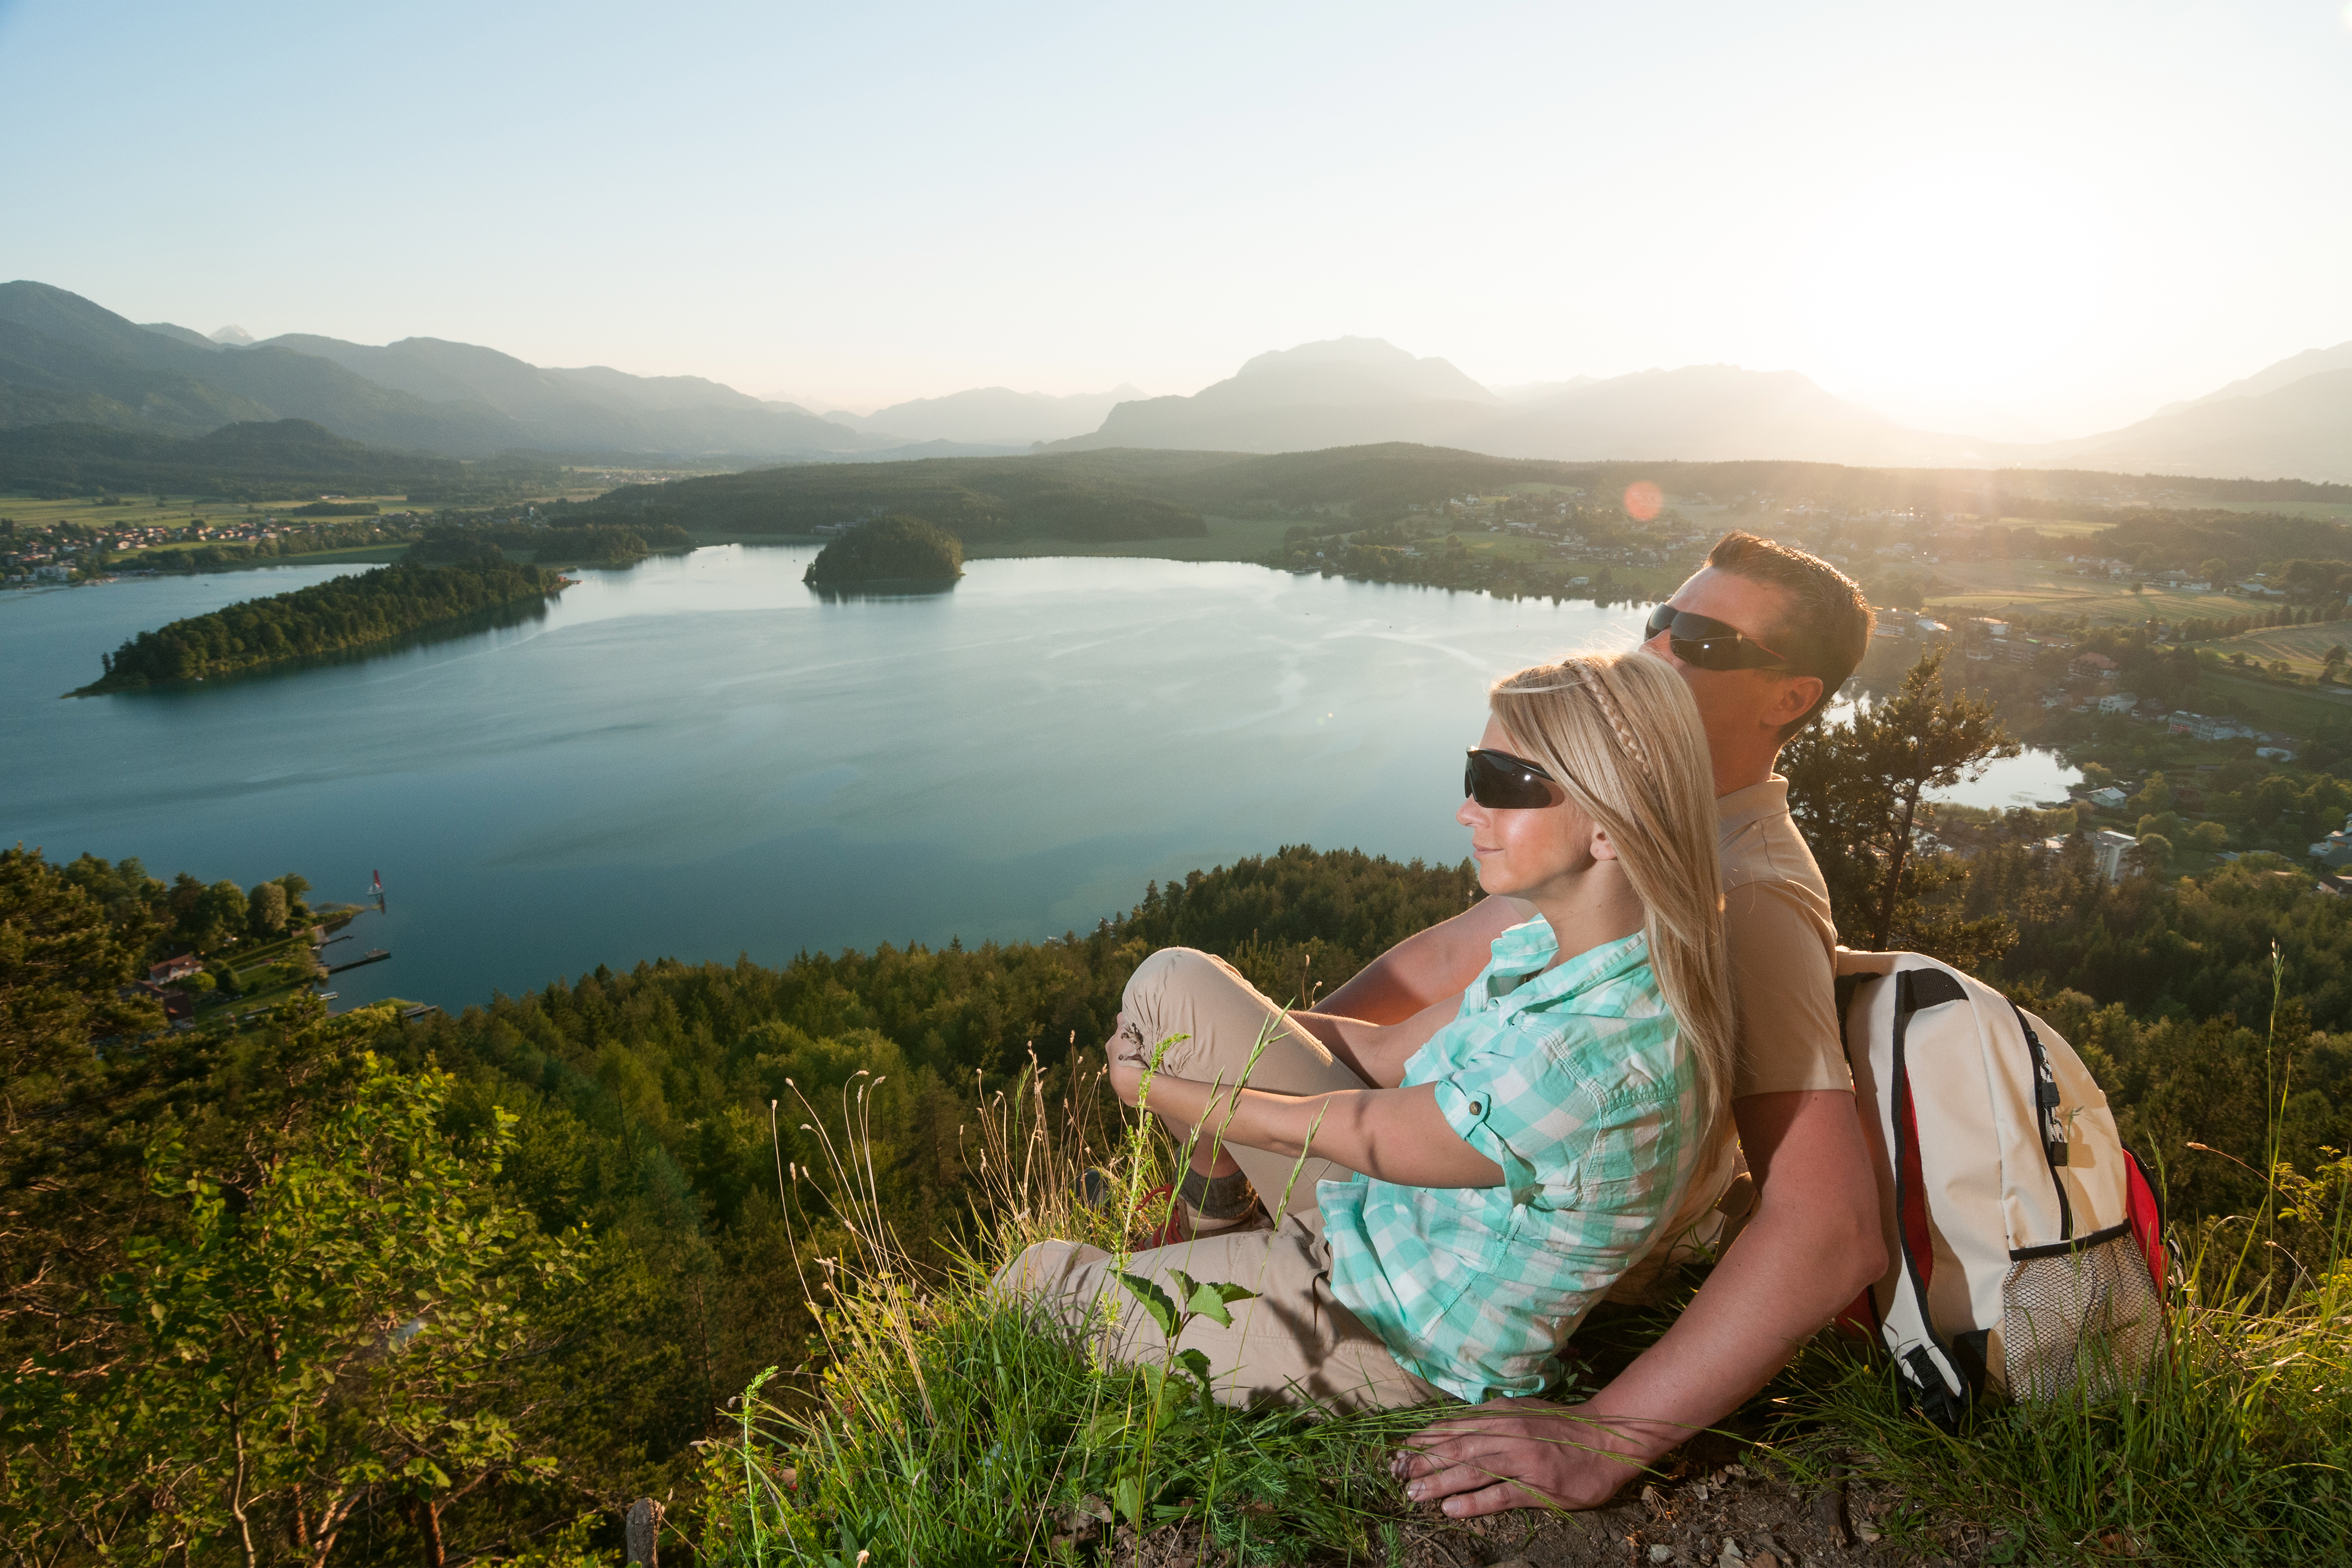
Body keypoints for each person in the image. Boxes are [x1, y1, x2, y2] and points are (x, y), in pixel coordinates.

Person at [994, 649, 1737, 1412]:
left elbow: (1350, 1129)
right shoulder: (1559, 953)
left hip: (1391, 1331)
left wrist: (1152, 1087)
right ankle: (1216, 1237)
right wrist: (1221, 1033)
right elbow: (1383, 1051)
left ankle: (1220, 1277)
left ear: (1610, 829)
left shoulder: (1587, 1060)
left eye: (1501, 784)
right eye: (1472, 772)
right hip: (1386, 1221)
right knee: (1171, 987)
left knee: (1031, 1290)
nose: (1467, 810)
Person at [1357, 530, 1887, 1514]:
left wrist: (1601, 1443)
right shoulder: (1648, 813)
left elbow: (1832, 1228)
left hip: (1505, 1262)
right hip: (1451, 1177)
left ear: (1790, 697)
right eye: (1661, 620)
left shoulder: (1749, 897)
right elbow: (1437, 961)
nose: (1658, 649)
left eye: (1706, 643)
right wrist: (1255, 1052)